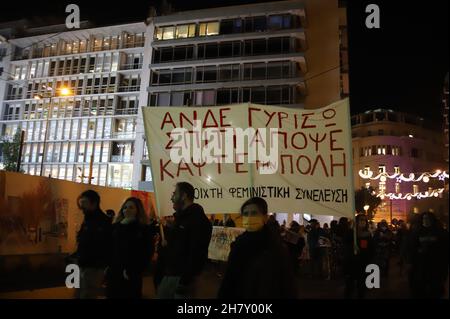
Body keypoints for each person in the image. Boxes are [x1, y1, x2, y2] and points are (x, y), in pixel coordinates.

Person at [218, 197, 296, 298]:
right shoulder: (238, 244)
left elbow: (287, 285)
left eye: (254, 213)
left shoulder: (276, 247)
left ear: (265, 217)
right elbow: (229, 280)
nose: (249, 217)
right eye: (246, 214)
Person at [156, 182, 212, 299]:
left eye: (174, 193)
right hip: (170, 275)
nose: (171, 198)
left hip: (181, 279)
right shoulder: (180, 220)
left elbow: (197, 252)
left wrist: (185, 281)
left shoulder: (197, 220)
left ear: (184, 196)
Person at [106, 197, 154, 298]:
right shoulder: (116, 227)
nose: (127, 210)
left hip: (131, 273)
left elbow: (147, 252)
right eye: (125, 207)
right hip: (115, 271)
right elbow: (110, 247)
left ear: (138, 210)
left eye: (131, 207)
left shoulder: (143, 229)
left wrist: (135, 270)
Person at [72, 190, 112, 299]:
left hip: (94, 267)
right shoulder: (87, 220)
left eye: (84, 202)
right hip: (82, 264)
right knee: (79, 293)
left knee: (88, 294)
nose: (81, 206)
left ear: (94, 203)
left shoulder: (104, 222)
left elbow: (105, 246)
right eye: (81, 203)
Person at [408, 212, 449, 298]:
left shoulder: (440, 232)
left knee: (435, 288)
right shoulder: (417, 232)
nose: (425, 220)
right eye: (424, 218)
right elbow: (412, 247)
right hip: (420, 264)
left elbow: (444, 248)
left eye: (428, 218)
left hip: (435, 264)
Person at [344, 214, 374, 299]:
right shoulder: (350, 232)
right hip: (351, 263)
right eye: (361, 220)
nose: (362, 222)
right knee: (349, 286)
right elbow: (345, 244)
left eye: (364, 220)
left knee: (361, 286)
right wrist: (352, 246)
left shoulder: (368, 234)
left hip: (363, 263)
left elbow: (371, 249)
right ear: (356, 221)